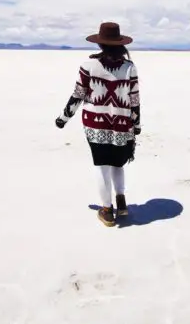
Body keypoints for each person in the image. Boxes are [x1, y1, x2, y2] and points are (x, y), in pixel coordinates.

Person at [55, 22, 141, 227]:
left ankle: (107, 210)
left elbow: (78, 95)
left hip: (95, 124)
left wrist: (64, 118)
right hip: (122, 123)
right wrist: (137, 125)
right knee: (118, 164)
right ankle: (121, 202)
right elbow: (134, 100)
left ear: (100, 43)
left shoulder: (88, 65)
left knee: (102, 166)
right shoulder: (129, 67)